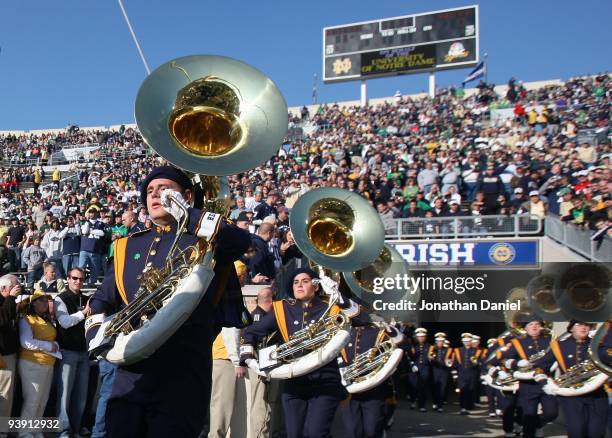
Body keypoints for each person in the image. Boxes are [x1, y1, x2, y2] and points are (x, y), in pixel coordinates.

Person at [86, 166, 250, 438]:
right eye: (150, 191)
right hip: (130, 372)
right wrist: (95, 333)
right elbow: (102, 298)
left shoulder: (205, 234)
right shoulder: (129, 245)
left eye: (164, 188)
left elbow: (240, 241)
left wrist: (188, 213)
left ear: (186, 194)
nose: (155, 195)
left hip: (182, 371)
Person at [240, 268, 360, 438]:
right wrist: (248, 357)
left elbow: (359, 317)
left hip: (325, 379)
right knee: (293, 433)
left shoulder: (331, 307)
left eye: (305, 281)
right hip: (294, 380)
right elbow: (252, 331)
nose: (299, 285)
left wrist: (339, 297)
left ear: (316, 286)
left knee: (315, 432)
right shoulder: (283, 308)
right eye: (296, 282)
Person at [534, 320, 608, 438]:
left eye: (587, 325)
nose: (584, 327)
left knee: (596, 432)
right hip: (571, 396)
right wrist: (545, 383)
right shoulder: (559, 346)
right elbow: (540, 368)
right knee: (576, 431)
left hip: (597, 394)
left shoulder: (598, 345)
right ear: (571, 328)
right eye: (579, 324)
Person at [339, 322, 400, 438]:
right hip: (348, 390)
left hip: (374, 389)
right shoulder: (343, 332)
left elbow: (402, 346)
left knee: (372, 431)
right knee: (352, 432)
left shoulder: (379, 333)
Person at [501, 318, 558, 438]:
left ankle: (538, 424)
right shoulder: (517, 342)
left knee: (551, 413)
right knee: (528, 417)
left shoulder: (550, 341)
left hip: (546, 382)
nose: (534, 327)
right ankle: (530, 428)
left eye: (537, 324)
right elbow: (505, 360)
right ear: (525, 328)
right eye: (531, 324)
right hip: (528, 384)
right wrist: (517, 363)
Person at [17, 290, 60, 438]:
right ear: (33, 302)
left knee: (42, 401)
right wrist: (49, 346)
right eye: (41, 300)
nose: (45, 303)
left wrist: (53, 345)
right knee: (32, 400)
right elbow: (26, 342)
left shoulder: (46, 319)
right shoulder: (27, 319)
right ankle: (24, 433)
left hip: (48, 363)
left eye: (46, 300)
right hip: (32, 363)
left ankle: (35, 430)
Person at [54, 267, 91, 438]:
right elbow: (65, 322)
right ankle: (63, 431)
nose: (78, 281)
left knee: (81, 396)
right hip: (67, 352)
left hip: (84, 353)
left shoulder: (86, 298)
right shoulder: (60, 298)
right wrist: (83, 313)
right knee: (64, 396)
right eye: (75, 278)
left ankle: (76, 429)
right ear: (68, 278)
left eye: (81, 279)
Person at [0, 274, 21, 423]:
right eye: (14, 286)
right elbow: (2, 319)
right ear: (3, 288)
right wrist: (11, 299)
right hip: (3, 356)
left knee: (8, 397)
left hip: (10, 354)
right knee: (4, 395)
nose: (17, 289)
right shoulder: (7, 301)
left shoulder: (10, 302)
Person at [453, 333, 481, 415]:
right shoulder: (458, 350)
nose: (466, 343)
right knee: (462, 391)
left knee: (470, 391)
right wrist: (454, 375)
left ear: (471, 341)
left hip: (472, 374)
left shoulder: (477, 351)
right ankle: (463, 407)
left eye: (468, 341)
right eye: (465, 341)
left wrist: (477, 363)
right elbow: (455, 364)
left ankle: (468, 406)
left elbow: (481, 363)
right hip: (462, 374)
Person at [408, 327, 432, 412]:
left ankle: (422, 405)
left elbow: (431, 357)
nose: (421, 338)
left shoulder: (429, 346)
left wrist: (432, 358)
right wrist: (412, 364)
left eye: (423, 336)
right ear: (416, 337)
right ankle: (413, 400)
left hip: (424, 368)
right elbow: (408, 357)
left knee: (423, 386)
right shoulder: (412, 345)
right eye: (419, 336)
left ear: (425, 337)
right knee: (413, 385)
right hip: (414, 367)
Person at [430, 332, 453, 413]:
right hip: (435, 371)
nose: (440, 343)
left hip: (444, 371)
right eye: (438, 341)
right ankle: (435, 402)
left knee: (442, 389)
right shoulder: (433, 349)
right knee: (435, 388)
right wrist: (431, 359)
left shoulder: (448, 350)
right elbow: (430, 359)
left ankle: (440, 406)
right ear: (436, 341)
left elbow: (450, 361)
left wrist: (449, 362)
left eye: (441, 341)